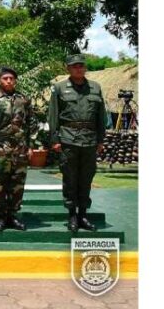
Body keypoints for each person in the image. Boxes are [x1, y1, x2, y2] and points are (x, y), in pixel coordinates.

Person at [48, 54, 107, 232]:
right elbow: (53, 115)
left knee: (86, 178)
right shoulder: (59, 88)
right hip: (68, 138)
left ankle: (83, 214)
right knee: (70, 178)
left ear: (85, 68)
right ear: (68, 69)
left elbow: (101, 116)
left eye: (81, 66)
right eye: (74, 66)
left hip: (89, 140)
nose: (78, 69)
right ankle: (72, 215)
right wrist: (54, 139)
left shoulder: (95, 88)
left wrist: (101, 139)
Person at [0, 67, 37, 231]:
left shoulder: (23, 99)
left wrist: (31, 146)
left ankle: (13, 215)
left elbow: (31, 123)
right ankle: (1, 216)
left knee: (17, 184)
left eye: (11, 78)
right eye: (5, 78)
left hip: (20, 148)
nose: (9, 81)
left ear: (15, 80)